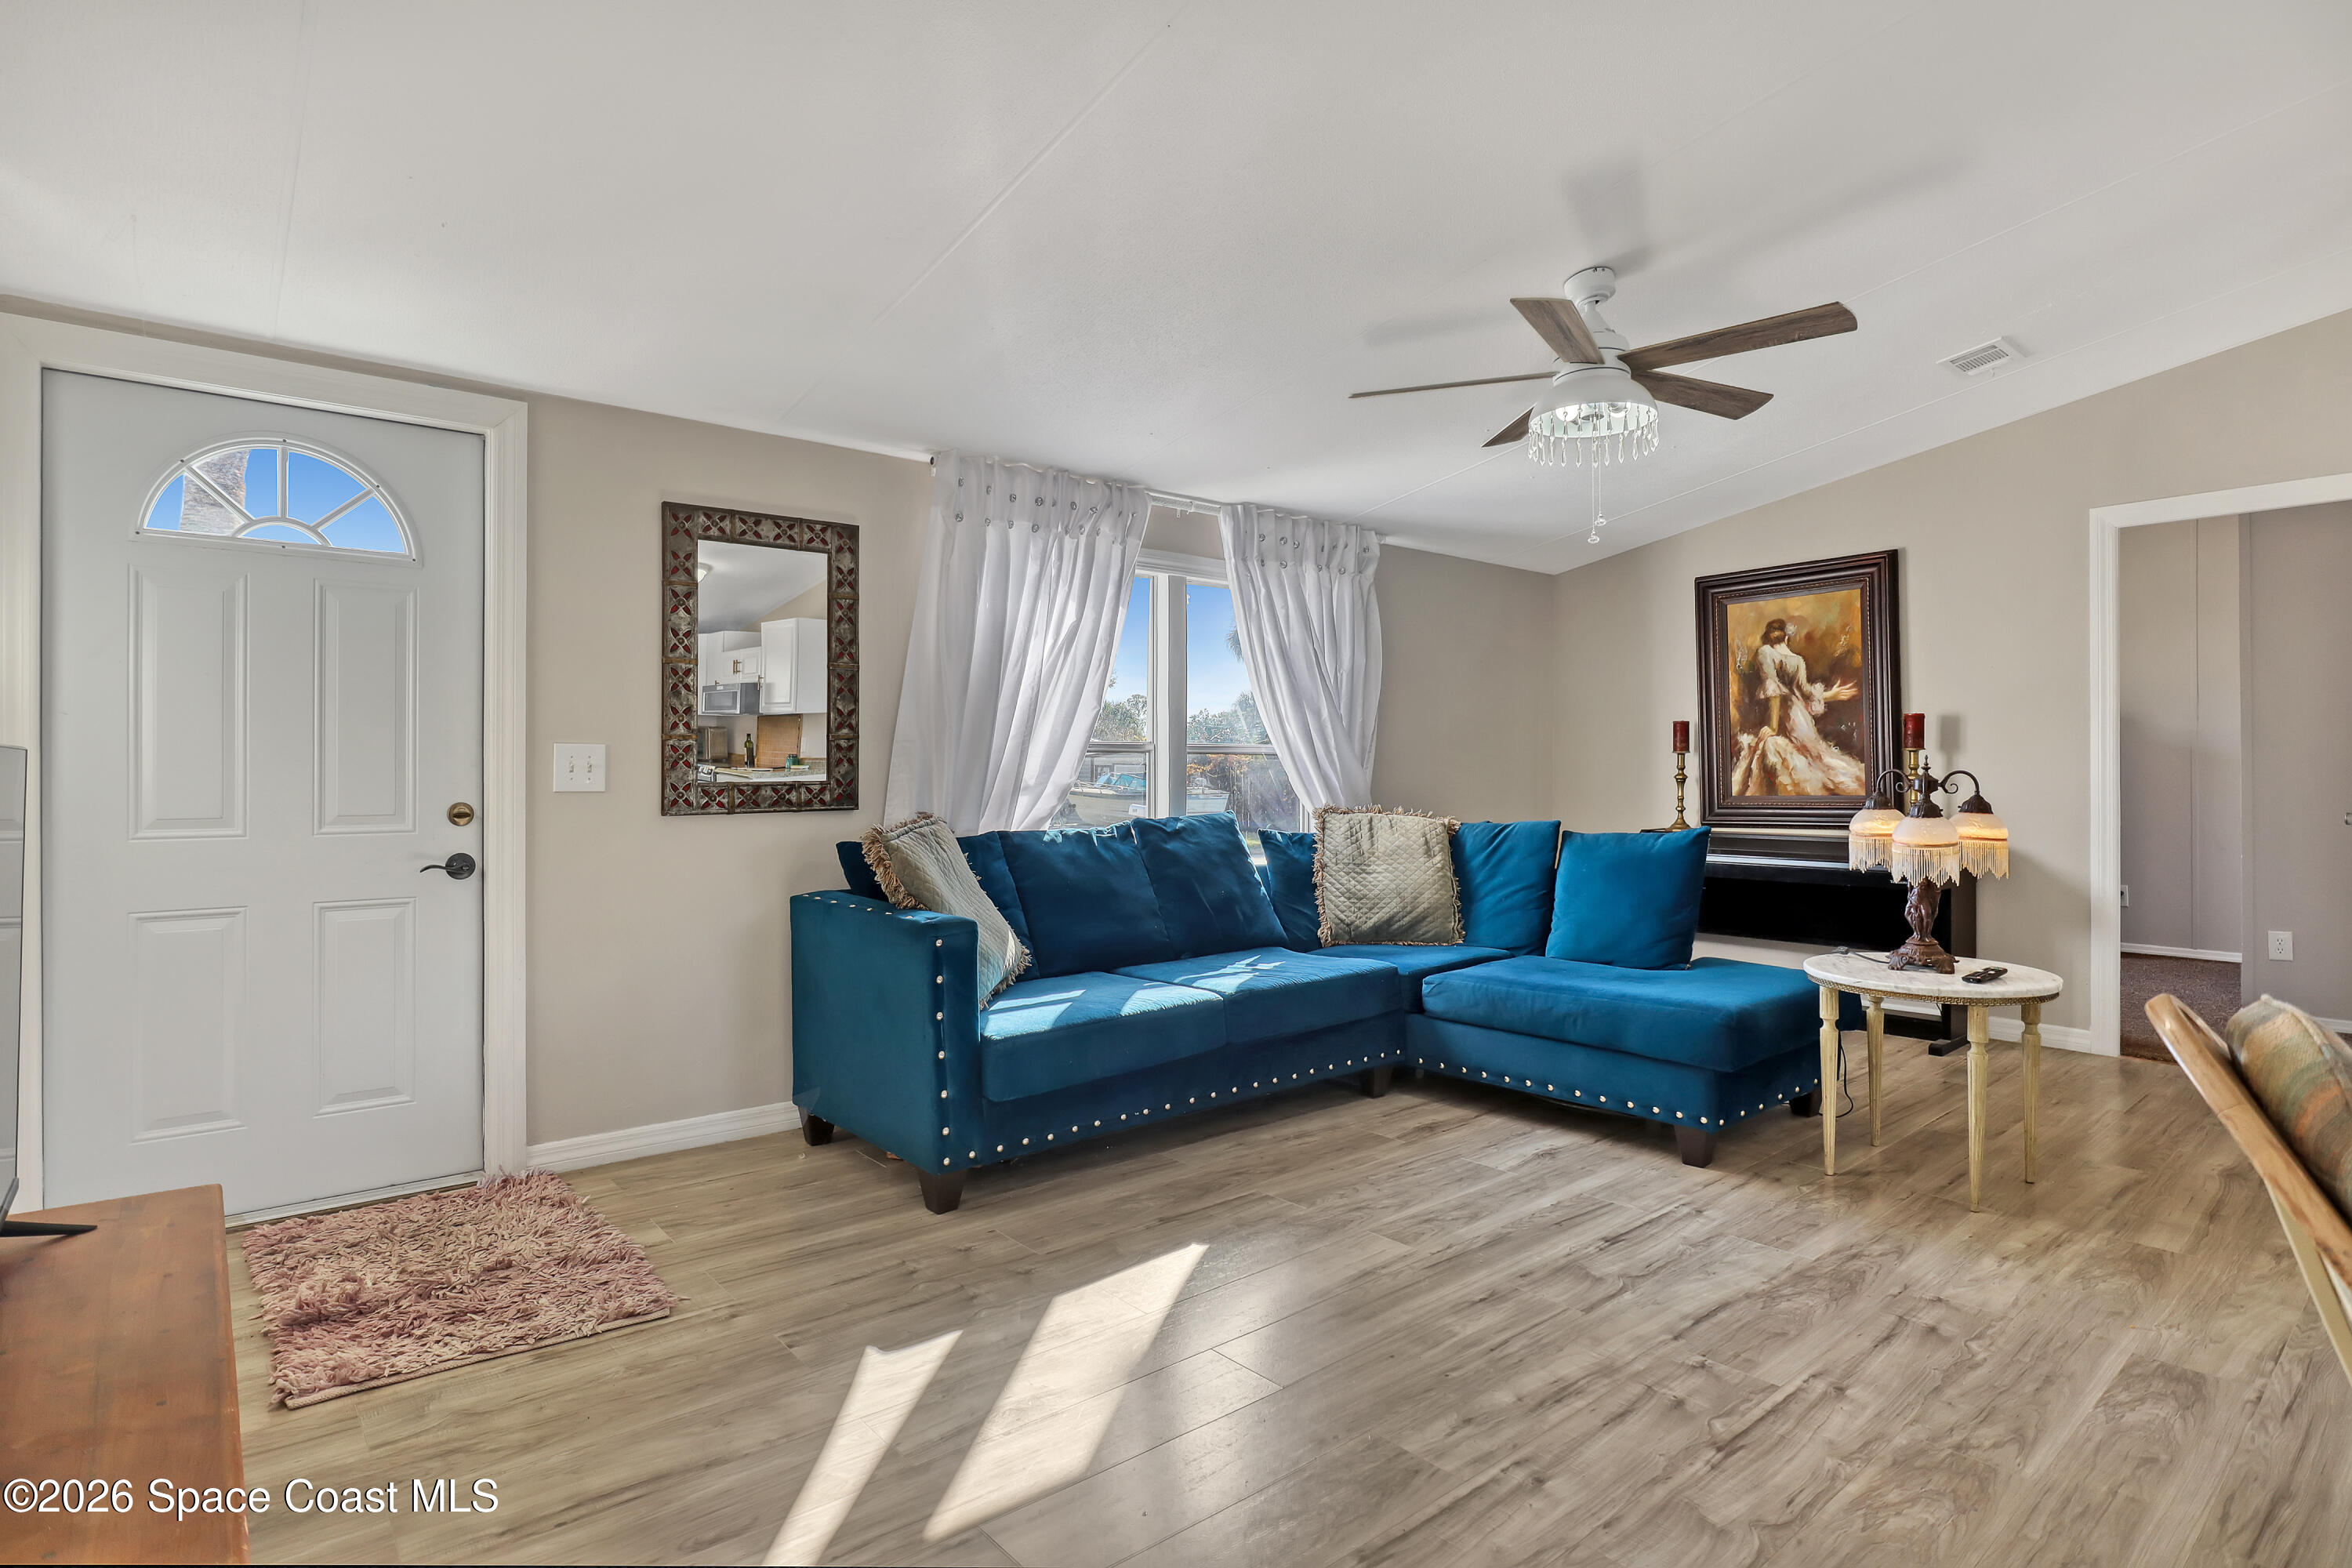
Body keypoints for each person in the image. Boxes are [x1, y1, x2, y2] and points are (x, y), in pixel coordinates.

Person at [1733, 618, 1864, 796]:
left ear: (1768, 637)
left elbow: (1775, 692)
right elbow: (1805, 693)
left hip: (1781, 716)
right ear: (1787, 638)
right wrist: (1831, 695)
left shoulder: (1765, 652)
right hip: (1799, 716)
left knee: (1813, 759)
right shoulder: (1798, 660)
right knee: (1816, 758)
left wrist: (1772, 725)